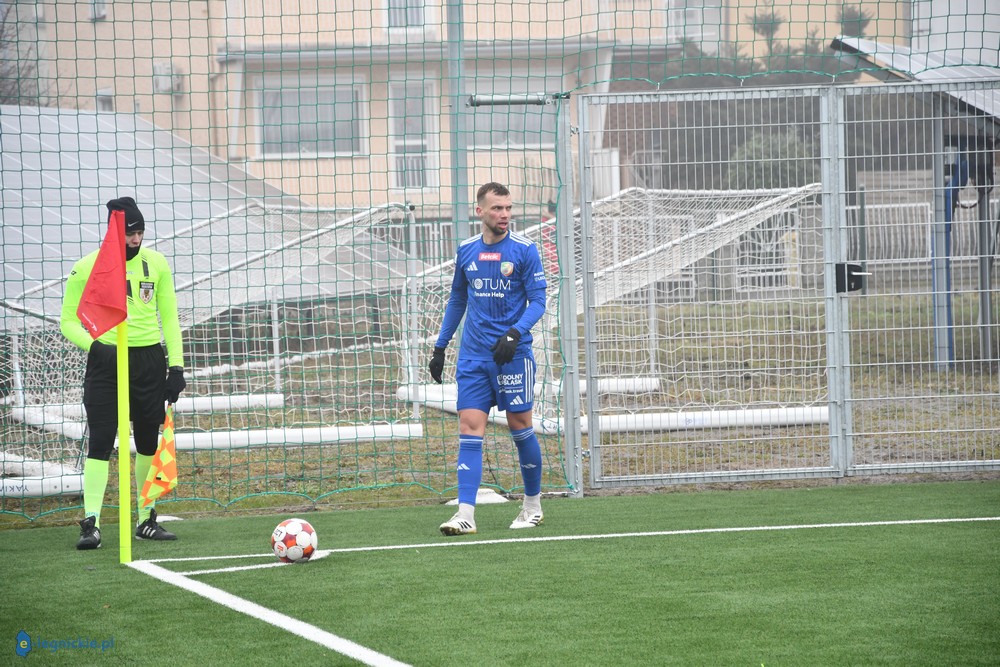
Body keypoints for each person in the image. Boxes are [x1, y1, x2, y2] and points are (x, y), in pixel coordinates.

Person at [61, 196, 187, 550]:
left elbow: (170, 318)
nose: (136, 239)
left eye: (140, 232)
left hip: (148, 362)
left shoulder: (157, 264)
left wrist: (176, 366)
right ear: (114, 232)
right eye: (130, 232)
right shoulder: (87, 267)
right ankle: (91, 524)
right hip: (106, 362)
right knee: (101, 441)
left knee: (147, 441)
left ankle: (146, 518)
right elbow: (67, 321)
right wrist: (96, 347)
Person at [429, 182, 548, 535]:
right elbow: (457, 299)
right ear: (480, 211)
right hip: (473, 357)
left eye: (508, 208)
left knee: (520, 426)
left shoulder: (524, 250)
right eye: (497, 208)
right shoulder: (467, 251)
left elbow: (539, 301)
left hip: (513, 355)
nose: (505, 214)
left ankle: (532, 506)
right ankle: (465, 514)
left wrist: (515, 333)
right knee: (469, 426)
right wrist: (440, 346)